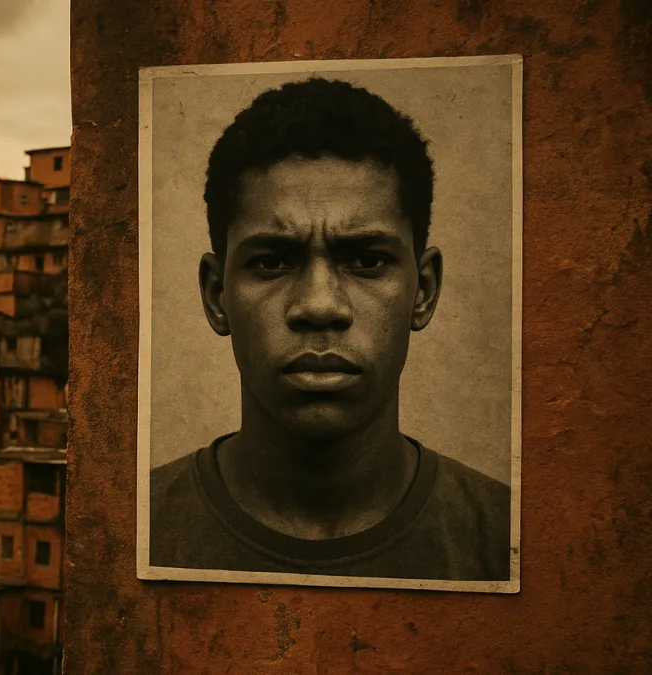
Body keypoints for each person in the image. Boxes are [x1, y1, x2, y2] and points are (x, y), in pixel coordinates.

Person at [149, 77, 511, 581]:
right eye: (273, 262)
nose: (319, 305)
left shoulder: (511, 540)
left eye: (366, 260)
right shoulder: (129, 530)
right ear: (216, 295)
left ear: (423, 290)